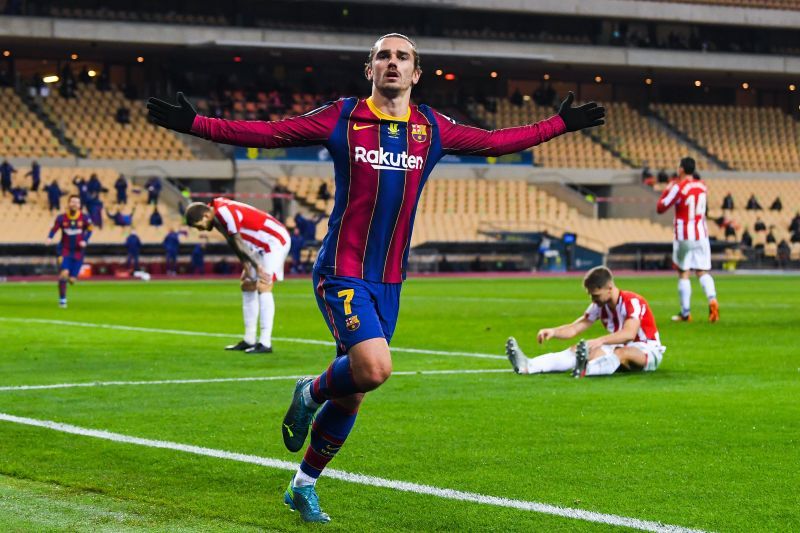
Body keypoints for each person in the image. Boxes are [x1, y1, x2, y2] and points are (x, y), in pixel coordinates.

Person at [147, 32, 605, 523]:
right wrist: (197, 124)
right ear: (370, 69)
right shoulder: (342, 117)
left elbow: (496, 143)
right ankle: (308, 389)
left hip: (390, 281)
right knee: (373, 368)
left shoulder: (431, 127)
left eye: (402, 57)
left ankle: (302, 485)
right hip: (342, 270)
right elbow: (268, 132)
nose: (392, 63)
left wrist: (559, 124)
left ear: (416, 73)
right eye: (383, 56)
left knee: (356, 392)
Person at [506, 266, 664, 378]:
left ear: (609, 287)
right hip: (618, 346)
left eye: (595, 294)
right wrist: (553, 332)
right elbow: (575, 328)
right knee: (579, 350)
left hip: (647, 350)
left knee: (621, 353)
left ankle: (585, 370)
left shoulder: (632, 301)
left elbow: (629, 334)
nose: (592, 299)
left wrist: (600, 340)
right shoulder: (599, 304)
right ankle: (527, 366)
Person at [183, 198, 291, 355]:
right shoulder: (217, 213)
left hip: (273, 240)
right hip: (257, 245)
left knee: (264, 284)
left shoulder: (224, 212)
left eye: (199, 226)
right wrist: (246, 264)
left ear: (206, 215)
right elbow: (231, 240)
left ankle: (265, 343)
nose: (201, 230)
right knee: (247, 284)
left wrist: (256, 266)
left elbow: (237, 240)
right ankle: (249, 339)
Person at [656, 157, 719, 322]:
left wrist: (667, 188)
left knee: (683, 272)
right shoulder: (702, 186)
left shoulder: (679, 187)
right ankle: (712, 300)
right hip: (701, 234)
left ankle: (685, 313)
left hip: (684, 234)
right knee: (702, 271)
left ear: (681, 169)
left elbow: (661, 207)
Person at [47, 195, 93, 308]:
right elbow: (54, 228)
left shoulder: (85, 218)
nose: (74, 204)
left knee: (72, 280)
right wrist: (49, 237)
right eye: (72, 202)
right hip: (64, 250)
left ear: (80, 205)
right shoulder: (61, 218)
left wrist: (85, 240)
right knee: (64, 273)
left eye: (77, 202)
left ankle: (67, 280)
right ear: (68, 203)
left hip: (78, 252)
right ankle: (62, 300)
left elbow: (90, 230)